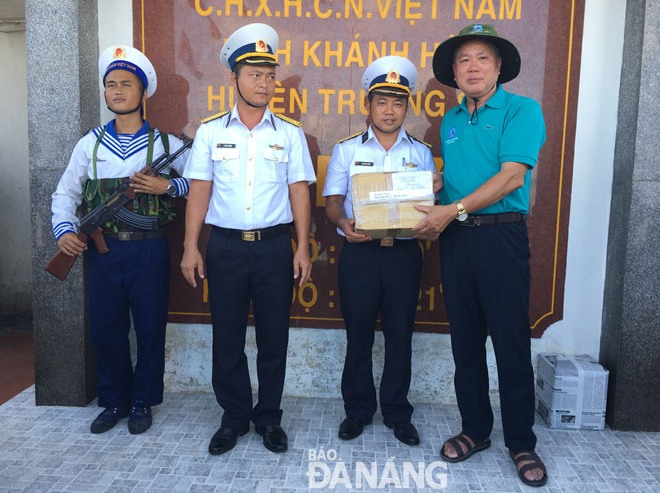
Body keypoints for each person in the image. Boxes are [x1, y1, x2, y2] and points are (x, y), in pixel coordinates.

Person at [411, 24, 547, 487]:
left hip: (500, 238)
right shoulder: (449, 121)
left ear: (499, 67)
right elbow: (458, 182)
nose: (472, 67)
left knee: (510, 343)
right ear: (453, 71)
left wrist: (451, 208)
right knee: (465, 342)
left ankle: (521, 441)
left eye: (482, 58)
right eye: (464, 60)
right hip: (457, 240)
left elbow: (511, 178)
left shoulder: (521, 111)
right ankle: (475, 429)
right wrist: (432, 192)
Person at [180, 23, 315, 456]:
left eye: (270, 74)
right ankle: (234, 417)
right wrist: (190, 247)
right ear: (233, 77)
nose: (264, 82)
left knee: (274, 340)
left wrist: (303, 246)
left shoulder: (289, 133)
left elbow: (299, 191)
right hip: (226, 248)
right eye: (254, 73)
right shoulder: (211, 131)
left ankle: (268, 418)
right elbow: (199, 190)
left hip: (276, 248)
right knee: (228, 338)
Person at [51, 45, 190, 435]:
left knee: (149, 327)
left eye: (126, 84)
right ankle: (113, 400)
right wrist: (64, 231)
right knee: (106, 327)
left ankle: (142, 400)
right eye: (111, 84)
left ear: (144, 93)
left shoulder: (164, 144)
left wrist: (167, 185)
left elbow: (197, 185)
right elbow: (65, 194)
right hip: (103, 250)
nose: (116, 91)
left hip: (149, 247)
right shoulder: (90, 144)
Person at [323, 56, 436, 446]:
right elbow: (333, 202)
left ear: (407, 107)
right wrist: (342, 224)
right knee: (358, 335)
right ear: (366, 105)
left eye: (398, 102)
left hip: (404, 255)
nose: (390, 111)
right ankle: (357, 411)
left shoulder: (420, 153)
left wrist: (429, 223)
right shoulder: (346, 150)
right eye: (382, 102)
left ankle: (397, 412)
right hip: (360, 252)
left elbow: (426, 206)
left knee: (400, 335)